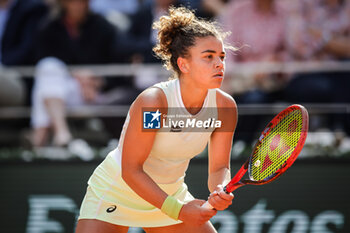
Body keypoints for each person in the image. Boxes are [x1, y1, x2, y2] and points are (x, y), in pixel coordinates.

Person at [75, 6, 237, 233]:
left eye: (221, 57)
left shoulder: (225, 107)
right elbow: (131, 170)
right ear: (184, 64)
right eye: (208, 57)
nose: (219, 64)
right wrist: (179, 210)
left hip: (169, 193)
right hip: (117, 191)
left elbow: (219, 166)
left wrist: (219, 188)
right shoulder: (154, 103)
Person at [31, 0, 127, 147]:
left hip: (93, 95)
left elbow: (119, 68)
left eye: (82, 1)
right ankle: (61, 132)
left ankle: (39, 138)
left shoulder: (103, 27)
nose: (78, 5)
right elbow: (40, 59)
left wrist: (97, 80)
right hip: (63, 90)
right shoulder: (49, 27)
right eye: (72, 2)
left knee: (44, 88)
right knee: (48, 68)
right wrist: (76, 74)